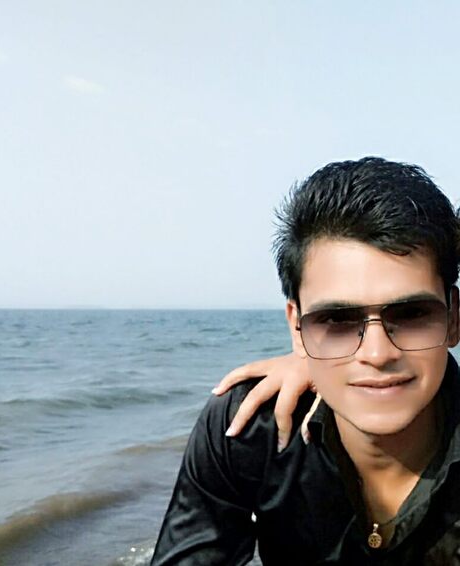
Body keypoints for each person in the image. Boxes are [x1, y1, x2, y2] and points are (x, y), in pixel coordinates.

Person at [151, 157, 460, 565]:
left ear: (453, 318)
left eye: (411, 314)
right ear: (297, 329)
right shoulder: (251, 424)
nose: (377, 353)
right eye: (337, 319)